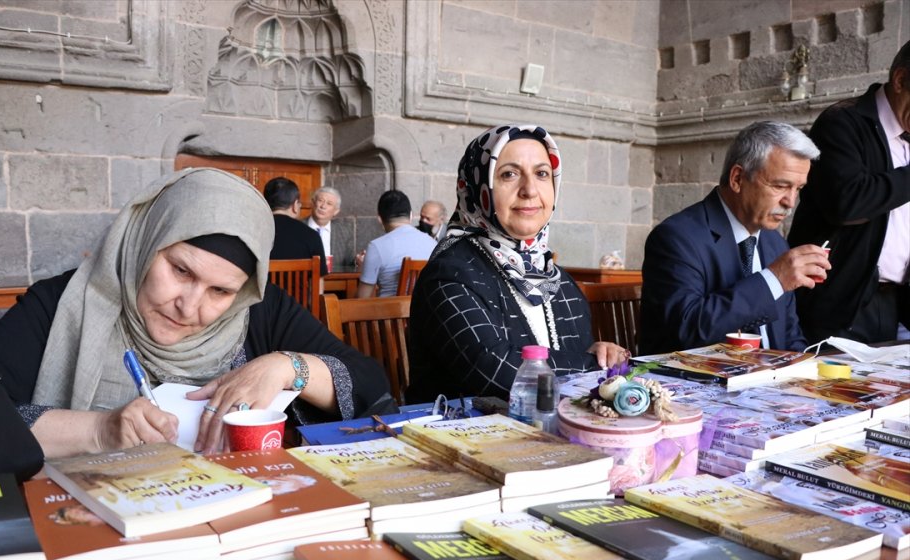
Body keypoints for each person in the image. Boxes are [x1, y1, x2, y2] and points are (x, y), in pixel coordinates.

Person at [0, 169, 392, 458]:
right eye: (180, 270)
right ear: (145, 240)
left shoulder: (257, 310)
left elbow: (372, 388)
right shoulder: (61, 305)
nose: (190, 306)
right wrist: (99, 430)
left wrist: (289, 368)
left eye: (220, 290)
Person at [405, 124, 628, 403]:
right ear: (477, 186)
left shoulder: (558, 281)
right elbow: (495, 371)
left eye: (542, 174)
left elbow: (575, 366)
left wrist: (599, 351)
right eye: (509, 174)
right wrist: (592, 363)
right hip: (463, 435)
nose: (530, 190)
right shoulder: (450, 272)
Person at [639, 121, 830, 355]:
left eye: (798, 189)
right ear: (737, 178)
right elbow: (686, 330)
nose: (790, 202)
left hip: (770, 384)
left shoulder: (775, 243)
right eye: (781, 186)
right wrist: (773, 279)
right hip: (699, 384)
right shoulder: (676, 238)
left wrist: (808, 373)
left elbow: (789, 337)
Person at [788, 41, 910, 344]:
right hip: (841, 305)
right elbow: (847, 203)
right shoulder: (843, 122)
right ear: (900, 80)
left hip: (897, 304)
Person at [355, 190, 436, 298]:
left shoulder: (376, 247)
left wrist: (363, 268)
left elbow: (362, 298)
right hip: (424, 313)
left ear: (380, 218)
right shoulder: (433, 243)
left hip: (389, 312)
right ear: (411, 215)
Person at [263, 177, 328, 276]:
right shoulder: (312, 235)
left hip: (261, 292)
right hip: (300, 292)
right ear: (294, 206)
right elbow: (319, 283)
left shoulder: (252, 234)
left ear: (265, 204)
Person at [305, 186, 342, 267]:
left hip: (334, 278)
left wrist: (358, 261)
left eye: (329, 203)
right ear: (313, 203)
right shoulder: (298, 226)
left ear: (336, 211)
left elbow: (348, 262)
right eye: (320, 201)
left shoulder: (343, 232)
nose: (323, 206)